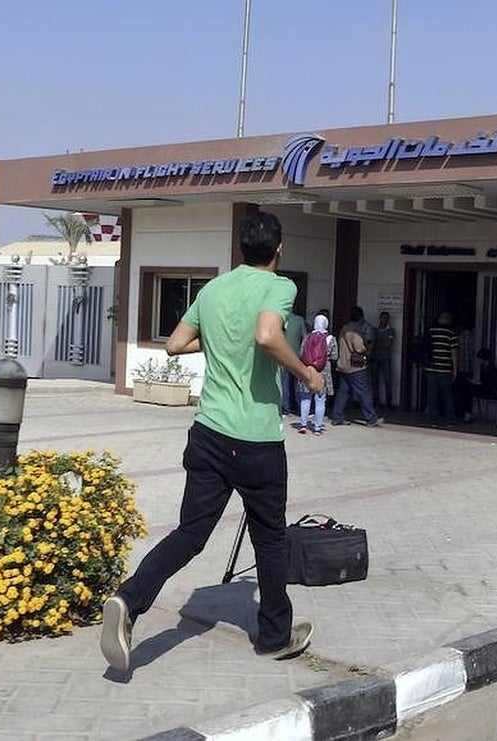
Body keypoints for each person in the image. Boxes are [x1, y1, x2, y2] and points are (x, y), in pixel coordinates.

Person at [100, 211, 323, 672]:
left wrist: (222, 342)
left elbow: (176, 345)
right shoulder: (279, 287)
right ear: (278, 251)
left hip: (207, 435)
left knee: (190, 534)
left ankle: (129, 600)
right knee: (269, 540)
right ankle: (275, 637)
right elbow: (266, 335)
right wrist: (305, 373)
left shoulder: (213, 288)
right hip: (256, 440)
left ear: (239, 250)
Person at [332, 306, 383, 427]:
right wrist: (368, 348)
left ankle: (337, 417)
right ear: (360, 317)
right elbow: (359, 348)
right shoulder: (355, 330)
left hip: (343, 365)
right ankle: (371, 418)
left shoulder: (344, 328)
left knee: (343, 393)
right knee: (364, 392)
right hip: (355, 367)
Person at [296, 314, 336, 436]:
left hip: (308, 370)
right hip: (323, 371)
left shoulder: (308, 337)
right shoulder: (331, 339)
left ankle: (303, 424)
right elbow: (334, 356)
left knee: (305, 398)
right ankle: (317, 427)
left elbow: (301, 353)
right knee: (320, 400)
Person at [423, 312, 458, 427]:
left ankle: (433, 421)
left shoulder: (431, 331)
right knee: (447, 395)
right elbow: (454, 353)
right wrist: (455, 370)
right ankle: (450, 421)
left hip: (431, 367)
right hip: (444, 369)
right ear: (449, 320)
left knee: (432, 394)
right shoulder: (451, 333)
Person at [281, 312, 307, 415]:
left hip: (283, 355)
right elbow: (305, 337)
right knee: (298, 383)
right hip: (296, 356)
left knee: (284, 383)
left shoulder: (282, 319)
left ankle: (285, 407)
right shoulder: (299, 320)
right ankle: (299, 406)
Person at [371, 311, 396, 409]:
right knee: (374, 381)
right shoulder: (375, 330)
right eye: (382, 317)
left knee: (387, 380)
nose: (384, 320)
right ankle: (376, 401)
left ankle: (388, 403)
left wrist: (377, 343)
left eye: (386, 318)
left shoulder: (391, 331)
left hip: (385, 358)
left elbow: (388, 344)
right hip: (375, 357)